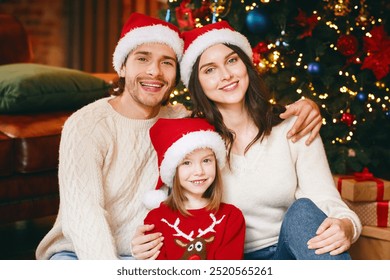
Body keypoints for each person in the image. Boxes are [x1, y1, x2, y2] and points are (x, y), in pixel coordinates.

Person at [35, 13, 320, 260]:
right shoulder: (86, 125)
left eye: (167, 63)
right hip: (80, 254)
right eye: (142, 59)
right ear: (121, 66)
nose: (154, 72)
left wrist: (306, 106)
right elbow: (85, 217)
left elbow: (236, 113)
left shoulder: (182, 119)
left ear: (176, 75)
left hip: (151, 254)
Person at [131, 21, 362, 260]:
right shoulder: (195, 140)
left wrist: (347, 226)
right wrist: (146, 241)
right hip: (221, 257)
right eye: (209, 70)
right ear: (197, 84)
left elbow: (324, 198)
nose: (226, 75)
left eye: (232, 61)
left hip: (287, 253)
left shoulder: (292, 127)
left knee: (302, 211)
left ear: (246, 65)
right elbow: (175, 204)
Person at [143, 117, 246, 260]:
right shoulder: (156, 219)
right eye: (186, 163)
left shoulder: (231, 217)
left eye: (206, 160)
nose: (199, 171)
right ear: (173, 170)